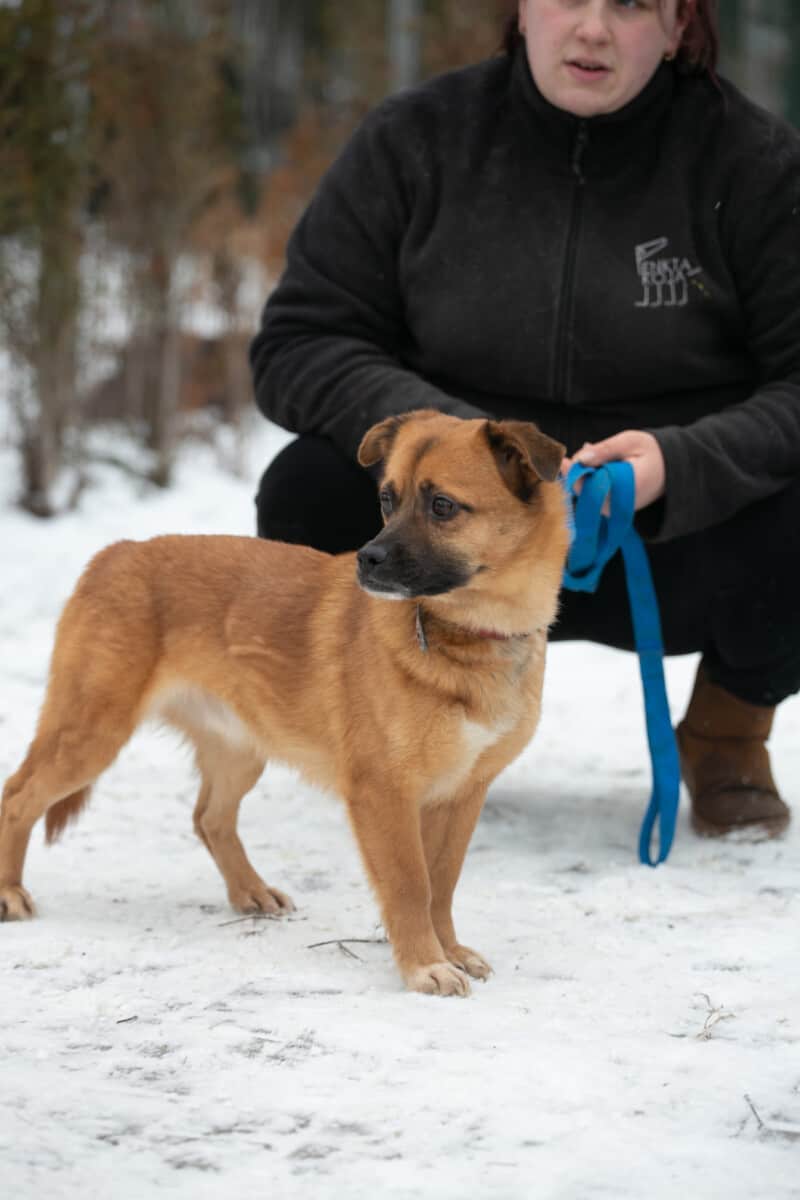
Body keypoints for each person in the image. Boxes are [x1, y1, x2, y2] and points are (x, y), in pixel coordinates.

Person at [249, 0, 800, 840]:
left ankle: (729, 732)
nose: (593, 28)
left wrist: (679, 463)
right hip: (451, 524)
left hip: (659, 536)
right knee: (304, 489)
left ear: (680, 26)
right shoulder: (415, 139)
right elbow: (301, 340)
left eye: (631, 4)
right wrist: (461, 446)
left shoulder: (754, 164)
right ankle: (403, 719)